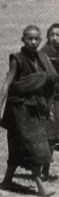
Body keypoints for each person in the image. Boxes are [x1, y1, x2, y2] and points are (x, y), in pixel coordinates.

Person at [0, 25, 57, 197]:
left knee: (16, 146)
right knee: (33, 147)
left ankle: (6, 182)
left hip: (35, 109)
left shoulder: (43, 58)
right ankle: (40, 185)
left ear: (40, 40)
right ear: (23, 40)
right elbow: (7, 85)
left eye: (36, 39)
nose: (33, 42)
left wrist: (48, 108)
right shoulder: (17, 59)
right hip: (18, 109)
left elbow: (49, 81)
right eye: (30, 38)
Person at [40, 23, 59, 180]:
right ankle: (44, 170)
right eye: (52, 34)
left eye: (58, 35)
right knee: (50, 137)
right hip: (51, 99)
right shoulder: (43, 55)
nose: (55, 38)